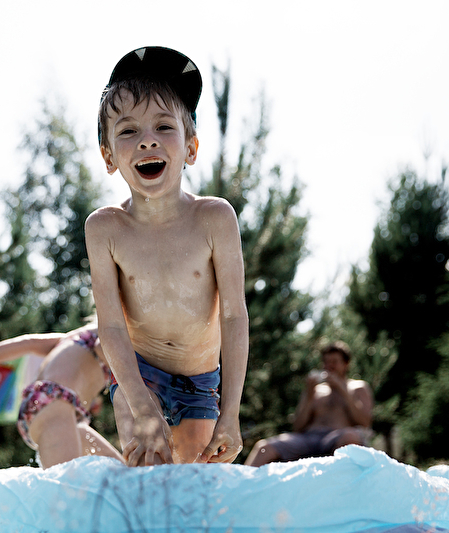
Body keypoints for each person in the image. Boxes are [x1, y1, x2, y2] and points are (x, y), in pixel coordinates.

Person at [85, 46, 249, 467]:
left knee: (196, 488)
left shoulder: (214, 219)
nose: (147, 139)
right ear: (108, 156)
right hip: (139, 375)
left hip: (200, 381)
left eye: (163, 126)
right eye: (128, 131)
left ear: (191, 148)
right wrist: (140, 404)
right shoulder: (105, 229)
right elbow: (111, 326)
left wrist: (230, 414)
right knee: (149, 473)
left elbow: (234, 316)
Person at [0, 323, 123, 469]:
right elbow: (101, 347)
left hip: (50, 409)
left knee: (122, 473)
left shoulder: (75, 336)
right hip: (55, 403)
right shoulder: (111, 330)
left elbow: (29, 343)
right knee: (68, 490)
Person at [245, 341, 373, 466]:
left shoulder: (358, 387)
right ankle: (241, 479)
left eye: (334, 362)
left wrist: (343, 390)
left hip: (338, 436)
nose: (329, 366)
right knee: (264, 447)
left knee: (351, 437)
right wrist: (309, 395)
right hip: (308, 438)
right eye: (326, 362)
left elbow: (365, 422)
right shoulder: (315, 390)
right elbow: (298, 427)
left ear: (346, 364)